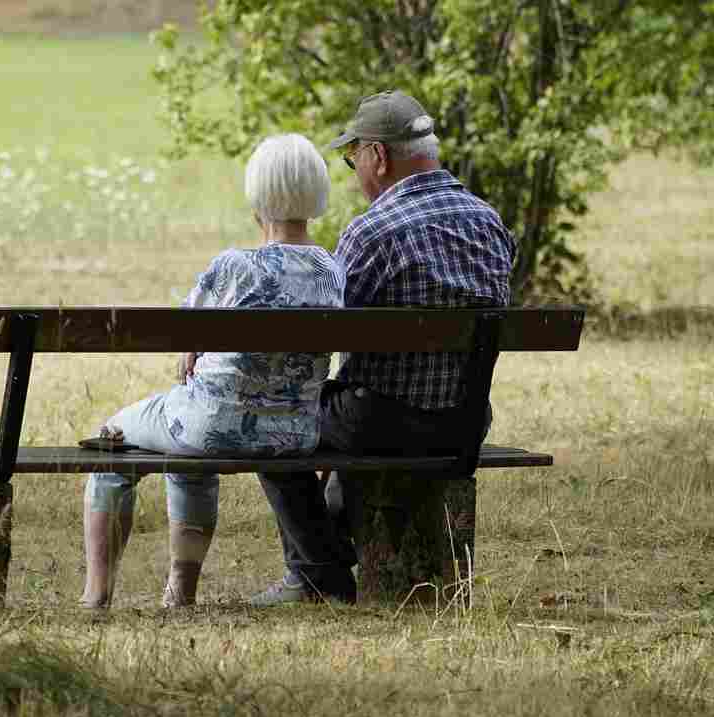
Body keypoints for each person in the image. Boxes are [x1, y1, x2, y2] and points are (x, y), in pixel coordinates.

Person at [250, 90, 517, 606]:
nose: (355, 172)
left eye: (353, 160)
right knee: (344, 406)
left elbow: (320, 335)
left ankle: (318, 571)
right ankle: (330, 552)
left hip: (381, 423)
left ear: (378, 156)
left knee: (271, 418)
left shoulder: (371, 233)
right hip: (464, 423)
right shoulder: (490, 223)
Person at [80, 133, 345, 609]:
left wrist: (195, 350)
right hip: (295, 433)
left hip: (212, 425)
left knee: (112, 441)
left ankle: (96, 595)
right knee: (187, 447)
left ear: (257, 198)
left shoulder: (234, 267)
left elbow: (185, 338)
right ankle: (179, 593)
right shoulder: (333, 270)